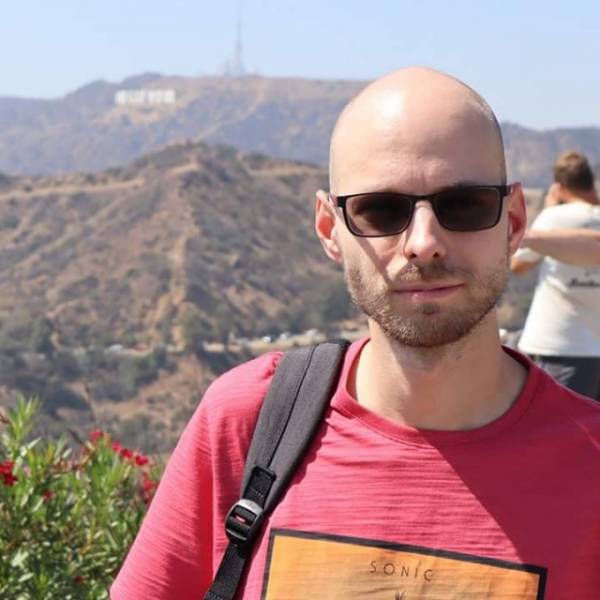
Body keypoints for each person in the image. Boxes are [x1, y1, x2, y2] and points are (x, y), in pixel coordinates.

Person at [111, 68, 600, 599]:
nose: (423, 243)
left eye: (464, 205)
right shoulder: (247, 423)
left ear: (514, 221)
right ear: (329, 229)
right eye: (381, 210)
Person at [511, 151, 600, 400]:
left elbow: (518, 265)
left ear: (559, 187)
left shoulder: (554, 217)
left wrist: (548, 211)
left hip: (559, 344)